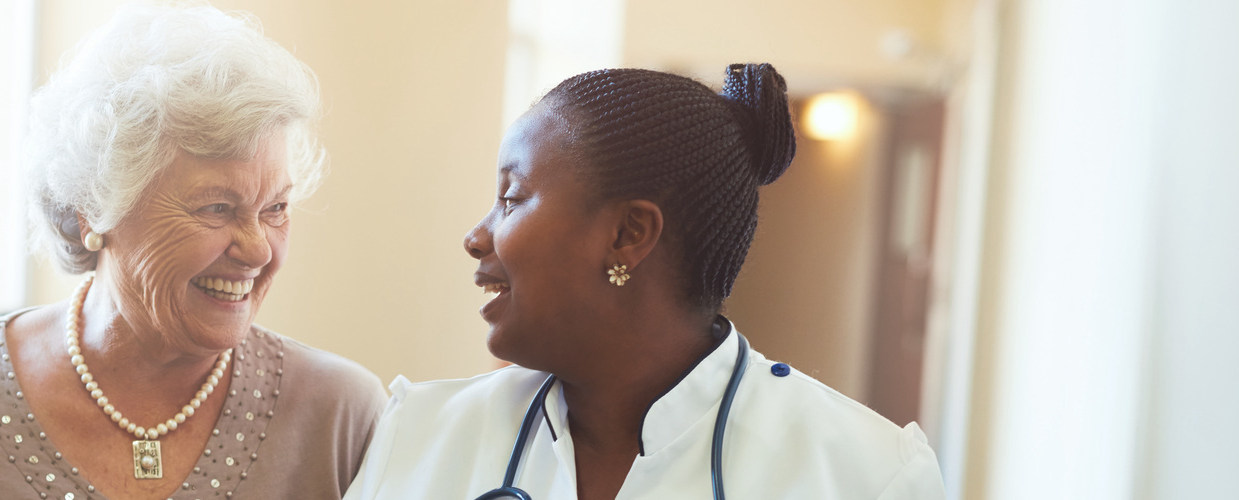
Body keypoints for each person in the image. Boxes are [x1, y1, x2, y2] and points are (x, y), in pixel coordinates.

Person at [0, 3, 386, 499]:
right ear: (88, 208)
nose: (259, 249)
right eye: (216, 208)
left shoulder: (342, 417)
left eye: (275, 209)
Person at [342, 64, 944, 500]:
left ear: (630, 233)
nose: (477, 237)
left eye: (512, 197)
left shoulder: (867, 475)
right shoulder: (419, 432)